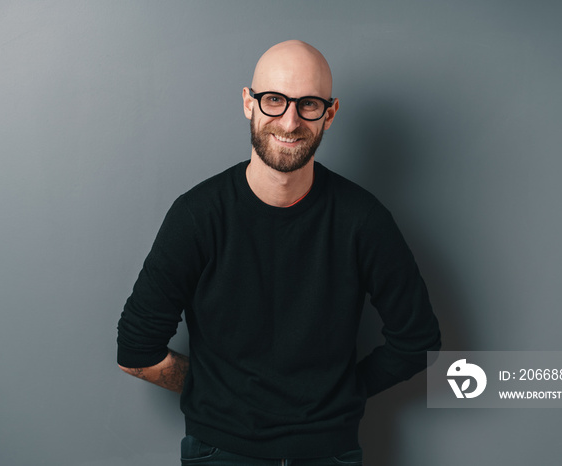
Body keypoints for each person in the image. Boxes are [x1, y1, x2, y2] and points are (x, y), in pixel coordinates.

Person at [117, 40, 441, 465]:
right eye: (274, 100)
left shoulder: (362, 219)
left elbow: (418, 342)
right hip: (221, 451)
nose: (289, 122)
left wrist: (340, 393)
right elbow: (136, 351)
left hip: (329, 452)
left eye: (308, 104)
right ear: (249, 104)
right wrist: (217, 391)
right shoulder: (197, 215)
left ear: (330, 113)